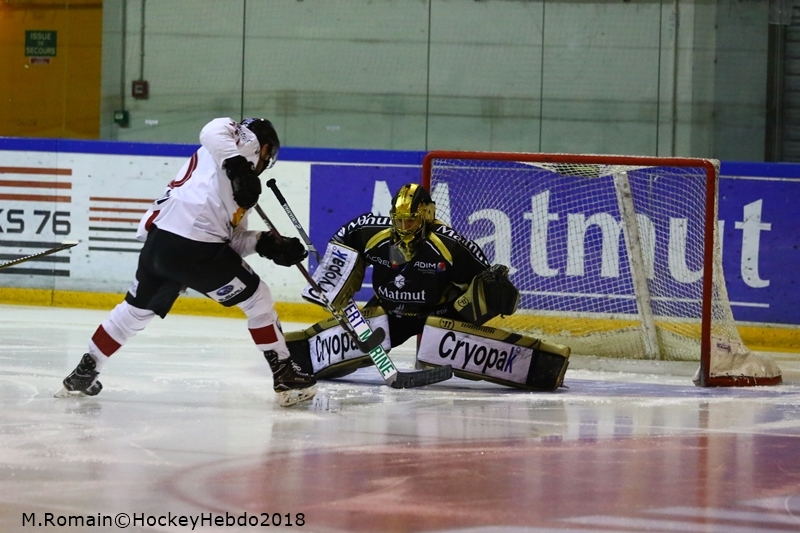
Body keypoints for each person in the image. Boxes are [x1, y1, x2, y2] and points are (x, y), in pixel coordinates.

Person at [57, 117, 317, 407]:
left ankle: (85, 370)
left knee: (133, 312)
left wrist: (264, 242)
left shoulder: (232, 179)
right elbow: (212, 129)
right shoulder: (242, 142)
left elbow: (230, 239)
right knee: (259, 300)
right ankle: (285, 376)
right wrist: (238, 166)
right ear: (266, 147)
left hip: (161, 246)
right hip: (195, 249)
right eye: (268, 155)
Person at [286, 183, 547, 389]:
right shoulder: (372, 233)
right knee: (352, 352)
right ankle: (293, 360)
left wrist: (495, 291)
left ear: (426, 215)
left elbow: (487, 277)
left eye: (410, 220)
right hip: (390, 313)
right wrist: (332, 280)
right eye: (398, 220)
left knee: (445, 350)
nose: (403, 227)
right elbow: (345, 237)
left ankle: (527, 365)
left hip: (438, 317)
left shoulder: (449, 244)